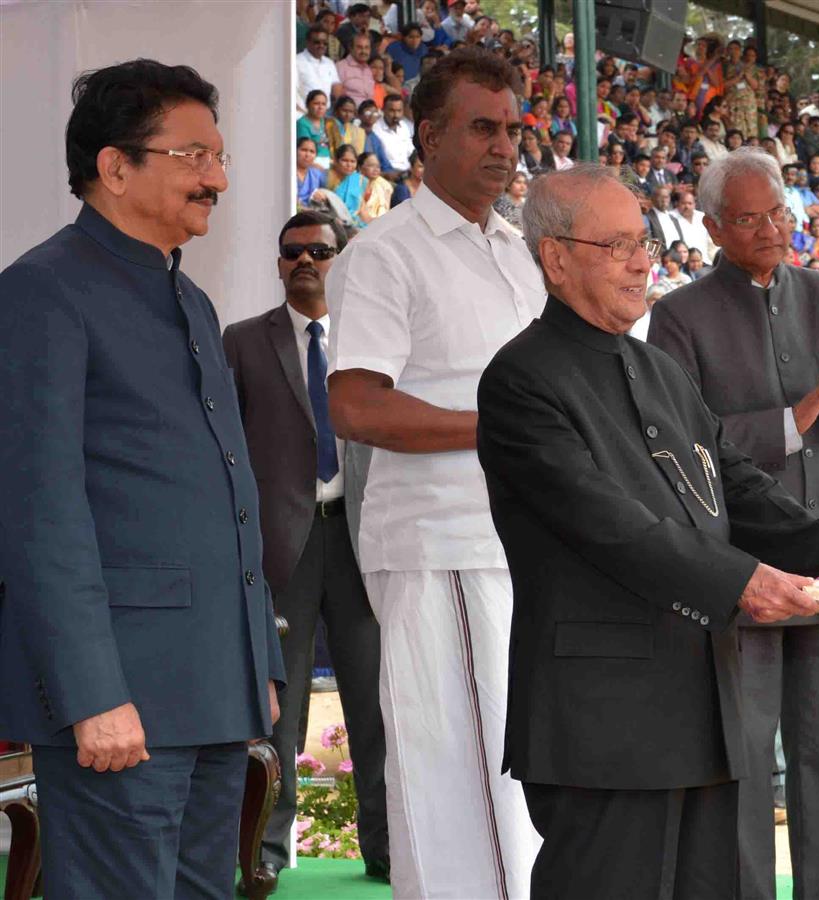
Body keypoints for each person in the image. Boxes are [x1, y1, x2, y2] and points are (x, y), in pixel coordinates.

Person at [478, 162, 819, 900]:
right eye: (617, 244)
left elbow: (737, 486)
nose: (640, 263)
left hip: (702, 713)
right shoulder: (520, 379)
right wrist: (744, 583)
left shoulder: (656, 368)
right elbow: (611, 526)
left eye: (646, 244)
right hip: (603, 726)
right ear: (555, 258)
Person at [0, 59, 283, 897]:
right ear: (115, 167)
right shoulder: (41, 292)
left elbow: (229, 492)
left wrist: (256, 660)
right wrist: (91, 693)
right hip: (119, 699)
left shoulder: (190, 302)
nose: (218, 179)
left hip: (213, 687)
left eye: (220, 157)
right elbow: (38, 511)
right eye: (193, 157)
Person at [325, 48, 544, 899]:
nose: (503, 147)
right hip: (443, 544)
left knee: (518, 790)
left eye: (514, 129)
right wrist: (505, 432)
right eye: (482, 128)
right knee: (464, 788)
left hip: (527, 543)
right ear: (428, 136)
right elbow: (357, 410)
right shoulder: (386, 253)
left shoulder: (520, 251)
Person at [649, 147, 819, 900]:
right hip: (745, 564)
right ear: (715, 227)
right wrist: (795, 418)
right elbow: (681, 443)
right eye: (748, 218)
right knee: (747, 750)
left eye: (778, 213)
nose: (768, 229)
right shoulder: (679, 315)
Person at [222, 212, 389, 887]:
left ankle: (386, 851)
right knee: (276, 718)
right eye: (292, 252)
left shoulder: (375, 338)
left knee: (376, 706)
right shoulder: (241, 342)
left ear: (341, 258)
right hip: (280, 551)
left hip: (362, 538)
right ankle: (264, 858)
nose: (305, 262)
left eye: (319, 251)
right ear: (278, 261)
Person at [296, 25, 341, 114]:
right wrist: (303, 117)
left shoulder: (329, 63)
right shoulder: (296, 61)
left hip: (326, 113)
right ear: (308, 42)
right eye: (317, 42)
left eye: (325, 43)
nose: (321, 45)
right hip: (303, 114)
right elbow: (291, 93)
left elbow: (336, 87)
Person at [372, 95, 415, 177]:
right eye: (392, 111)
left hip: (409, 173)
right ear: (383, 110)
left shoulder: (406, 126)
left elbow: (412, 153)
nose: (396, 115)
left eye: (399, 111)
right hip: (388, 175)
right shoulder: (375, 129)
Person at [336, 33, 377, 106]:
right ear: (350, 48)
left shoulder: (368, 70)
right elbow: (337, 98)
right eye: (359, 47)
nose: (363, 51)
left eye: (366, 47)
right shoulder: (341, 67)